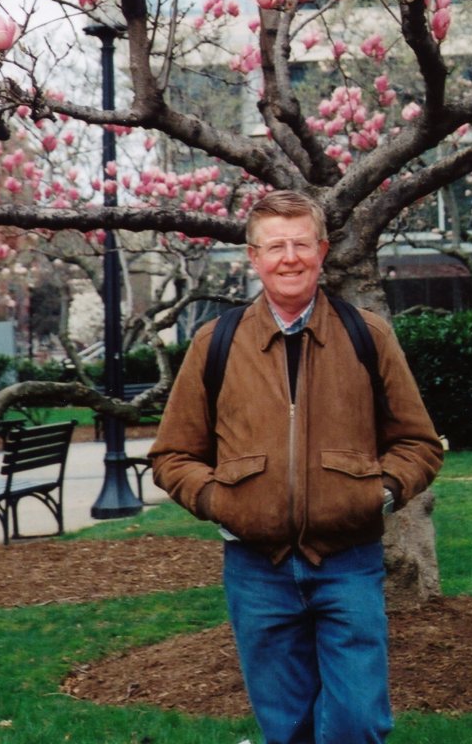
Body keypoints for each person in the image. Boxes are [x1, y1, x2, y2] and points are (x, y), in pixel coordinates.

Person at [149, 189, 443, 744]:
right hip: (256, 570)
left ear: (322, 251)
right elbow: (173, 455)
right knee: (287, 731)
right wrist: (220, 502)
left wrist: (376, 495)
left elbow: (418, 444)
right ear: (253, 257)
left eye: (302, 244)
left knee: (359, 721)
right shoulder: (216, 342)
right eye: (275, 246)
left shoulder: (367, 335)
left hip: (348, 563)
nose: (290, 258)